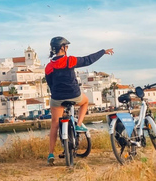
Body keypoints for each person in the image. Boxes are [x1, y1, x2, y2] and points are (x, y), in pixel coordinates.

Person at [45, 36, 114, 165]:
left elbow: (50, 83)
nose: (68, 48)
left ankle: (50, 154)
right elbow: (88, 60)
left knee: (54, 124)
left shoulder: (49, 66)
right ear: (62, 48)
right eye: (66, 46)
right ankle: (78, 124)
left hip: (57, 98)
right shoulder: (70, 60)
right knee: (86, 102)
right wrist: (103, 51)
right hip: (74, 95)